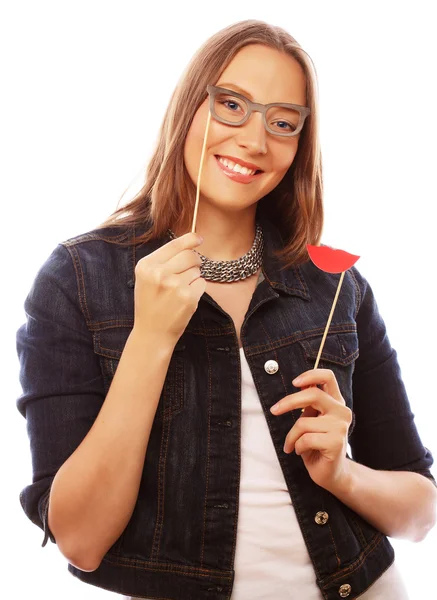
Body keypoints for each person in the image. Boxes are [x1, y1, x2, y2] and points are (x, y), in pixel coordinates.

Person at [16, 19, 436, 600]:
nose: (254, 141)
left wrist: (342, 473)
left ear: (298, 146)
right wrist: (151, 340)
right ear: (191, 106)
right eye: (232, 105)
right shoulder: (79, 279)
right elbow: (81, 540)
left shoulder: (337, 285)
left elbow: (420, 512)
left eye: (282, 123)